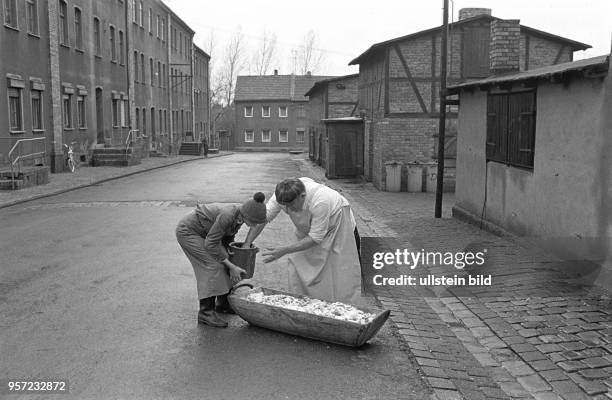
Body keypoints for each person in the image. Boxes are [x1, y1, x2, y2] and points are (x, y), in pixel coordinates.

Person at [244, 177, 363, 305]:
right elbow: (263, 218)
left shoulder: (321, 201)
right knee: (299, 269)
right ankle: (308, 306)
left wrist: (284, 250)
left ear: (302, 196)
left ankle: (345, 309)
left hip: (337, 225)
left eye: (291, 205)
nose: (288, 209)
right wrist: (246, 244)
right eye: (285, 206)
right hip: (311, 229)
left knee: (340, 273)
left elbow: (315, 238)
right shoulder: (283, 196)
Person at [176, 192, 266, 327]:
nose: (254, 226)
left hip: (207, 235)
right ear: (246, 216)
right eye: (253, 222)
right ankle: (205, 312)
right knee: (212, 265)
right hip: (189, 232)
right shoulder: (228, 215)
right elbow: (210, 244)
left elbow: (227, 234)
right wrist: (231, 266)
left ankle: (222, 304)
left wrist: (230, 253)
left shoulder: (239, 216)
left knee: (226, 261)